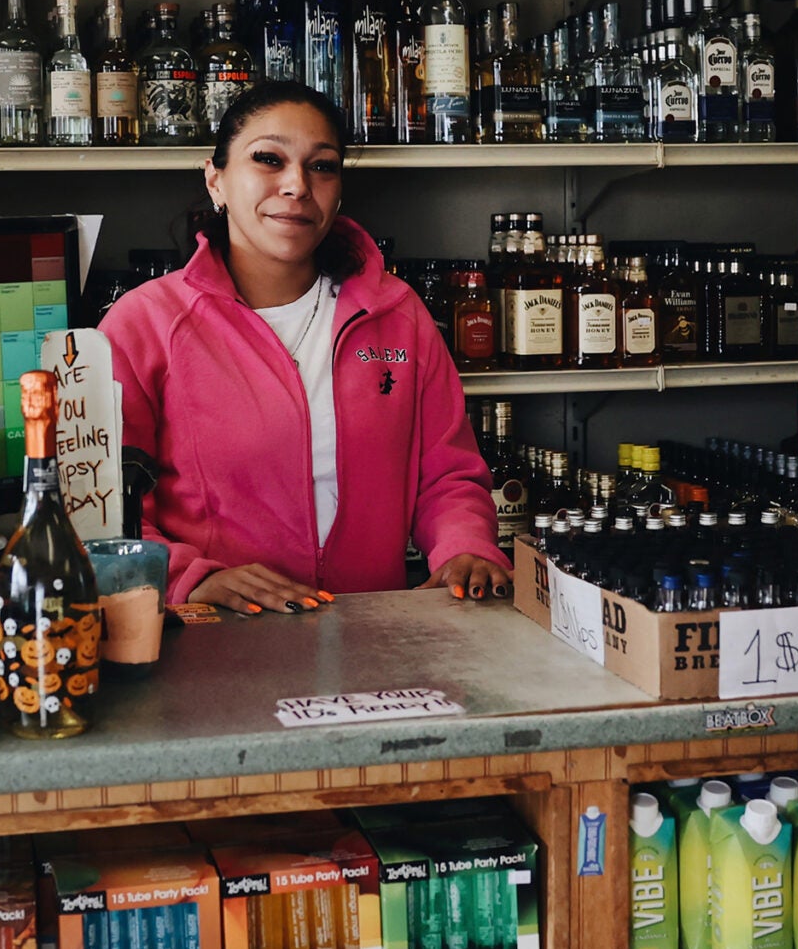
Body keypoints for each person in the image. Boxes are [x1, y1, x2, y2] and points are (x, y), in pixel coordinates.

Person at [101, 81, 511, 610]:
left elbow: (447, 474)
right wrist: (187, 577)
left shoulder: (396, 313)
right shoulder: (145, 323)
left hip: (373, 639)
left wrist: (465, 548)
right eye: (268, 158)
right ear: (215, 179)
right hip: (215, 641)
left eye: (322, 166)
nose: (297, 185)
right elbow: (102, 506)